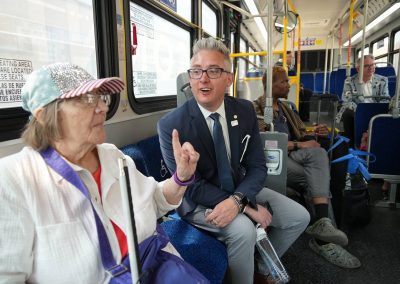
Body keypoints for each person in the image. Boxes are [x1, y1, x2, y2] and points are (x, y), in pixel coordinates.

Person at [0, 63, 205, 283]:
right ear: (43, 116)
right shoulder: (13, 178)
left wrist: (181, 177)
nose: (102, 108)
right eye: (85, 100)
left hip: (157, 268)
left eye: (101, 98)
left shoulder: (112, 156)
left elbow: (155, 200)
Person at [158, 38, 310, 284]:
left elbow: (257, 165)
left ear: (229, 79)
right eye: (196, 71)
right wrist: (245, 208)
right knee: (243, 230)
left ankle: (261, 269)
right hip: (197, 201)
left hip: (239, 190)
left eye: (214, 71)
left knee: (299, 217)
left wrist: (239, 200)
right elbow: (191, 186)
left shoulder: (244, 110)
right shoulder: (171, 125)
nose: (203, 79)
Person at [253, 67, 361, 269]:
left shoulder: (285, 108)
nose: (288, 85)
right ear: (271, 86)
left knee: (319, 155)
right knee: (317, 179)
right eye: (284, 82)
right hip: (274, 160)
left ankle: (323, 226)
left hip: (292, 155)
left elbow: (299, 131)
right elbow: (262, 144)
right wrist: (299, 145)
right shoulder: (256, 110)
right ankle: (323, 240)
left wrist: (313, 132)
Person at [339, 55, 390, 148]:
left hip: (376, 108)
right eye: (367, 66)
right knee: (347, 113)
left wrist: (374, 109)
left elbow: (385, 98)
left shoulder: (383, 80)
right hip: (357, 109)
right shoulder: (349, 81)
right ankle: (352, 145)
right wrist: (361, 110)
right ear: (358, 69)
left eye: (373, 65)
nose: (371, 68)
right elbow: (347, 99)